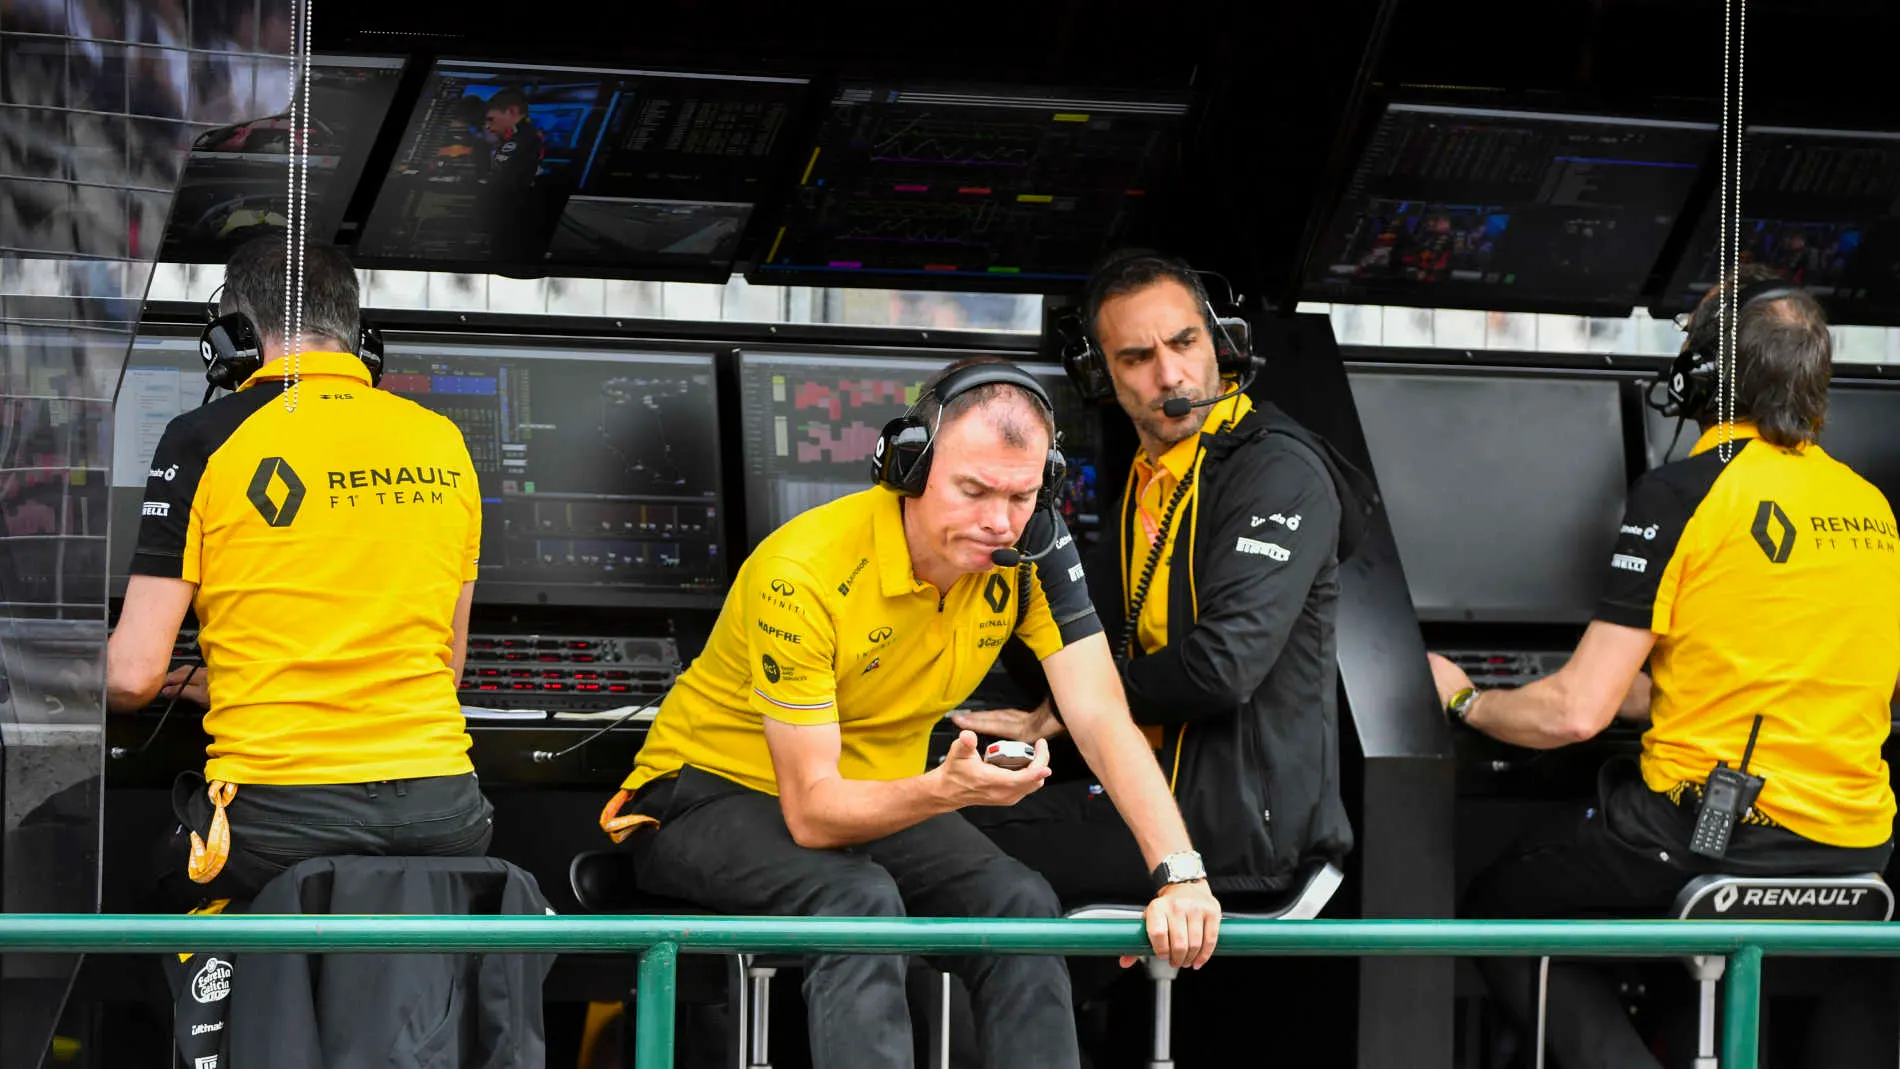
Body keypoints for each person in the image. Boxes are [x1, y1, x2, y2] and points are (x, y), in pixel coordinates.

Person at [597, 357, 1222, 1069]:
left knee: (1020, 901)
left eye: (1021, 495)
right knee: (859, 900)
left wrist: (1181, 871)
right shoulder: (802, 570)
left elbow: (1101, 713)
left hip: (876, 796)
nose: (999, 520)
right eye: (972, 489)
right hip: (705, 799)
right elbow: (812, 813)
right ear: (909, 467)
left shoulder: (1032, 547)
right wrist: (944, 790)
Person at [1429, 265, 1900, 1068]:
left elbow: (1575, 712)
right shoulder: (1871, 505)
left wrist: (1469, 699)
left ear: (1704, 375)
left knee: (1494, 906)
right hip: (1860, 851)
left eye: (1688, 341)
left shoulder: (1684, 492)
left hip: (1714, 841)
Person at [958, 250, 1365, 905]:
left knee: (943, 849)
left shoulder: (1278, 472)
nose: (1170, 374)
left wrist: (1076, 706)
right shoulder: (1152, 483)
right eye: (1136, 358)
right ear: (1100, 375)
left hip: (1237, 838)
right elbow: (1060, 642)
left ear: (1222, 342)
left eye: (1184, 342)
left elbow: (1222, 667)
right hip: (1151, 800)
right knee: (937, 823)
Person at [108, 234, 492, 907]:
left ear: (234, 336)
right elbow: (447, 668)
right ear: (359, 337)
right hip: (448, 813)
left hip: (276, 824)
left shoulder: (203, 438)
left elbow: (133, 677)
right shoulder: (443, 441)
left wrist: (39, 665)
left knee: (133, 885)